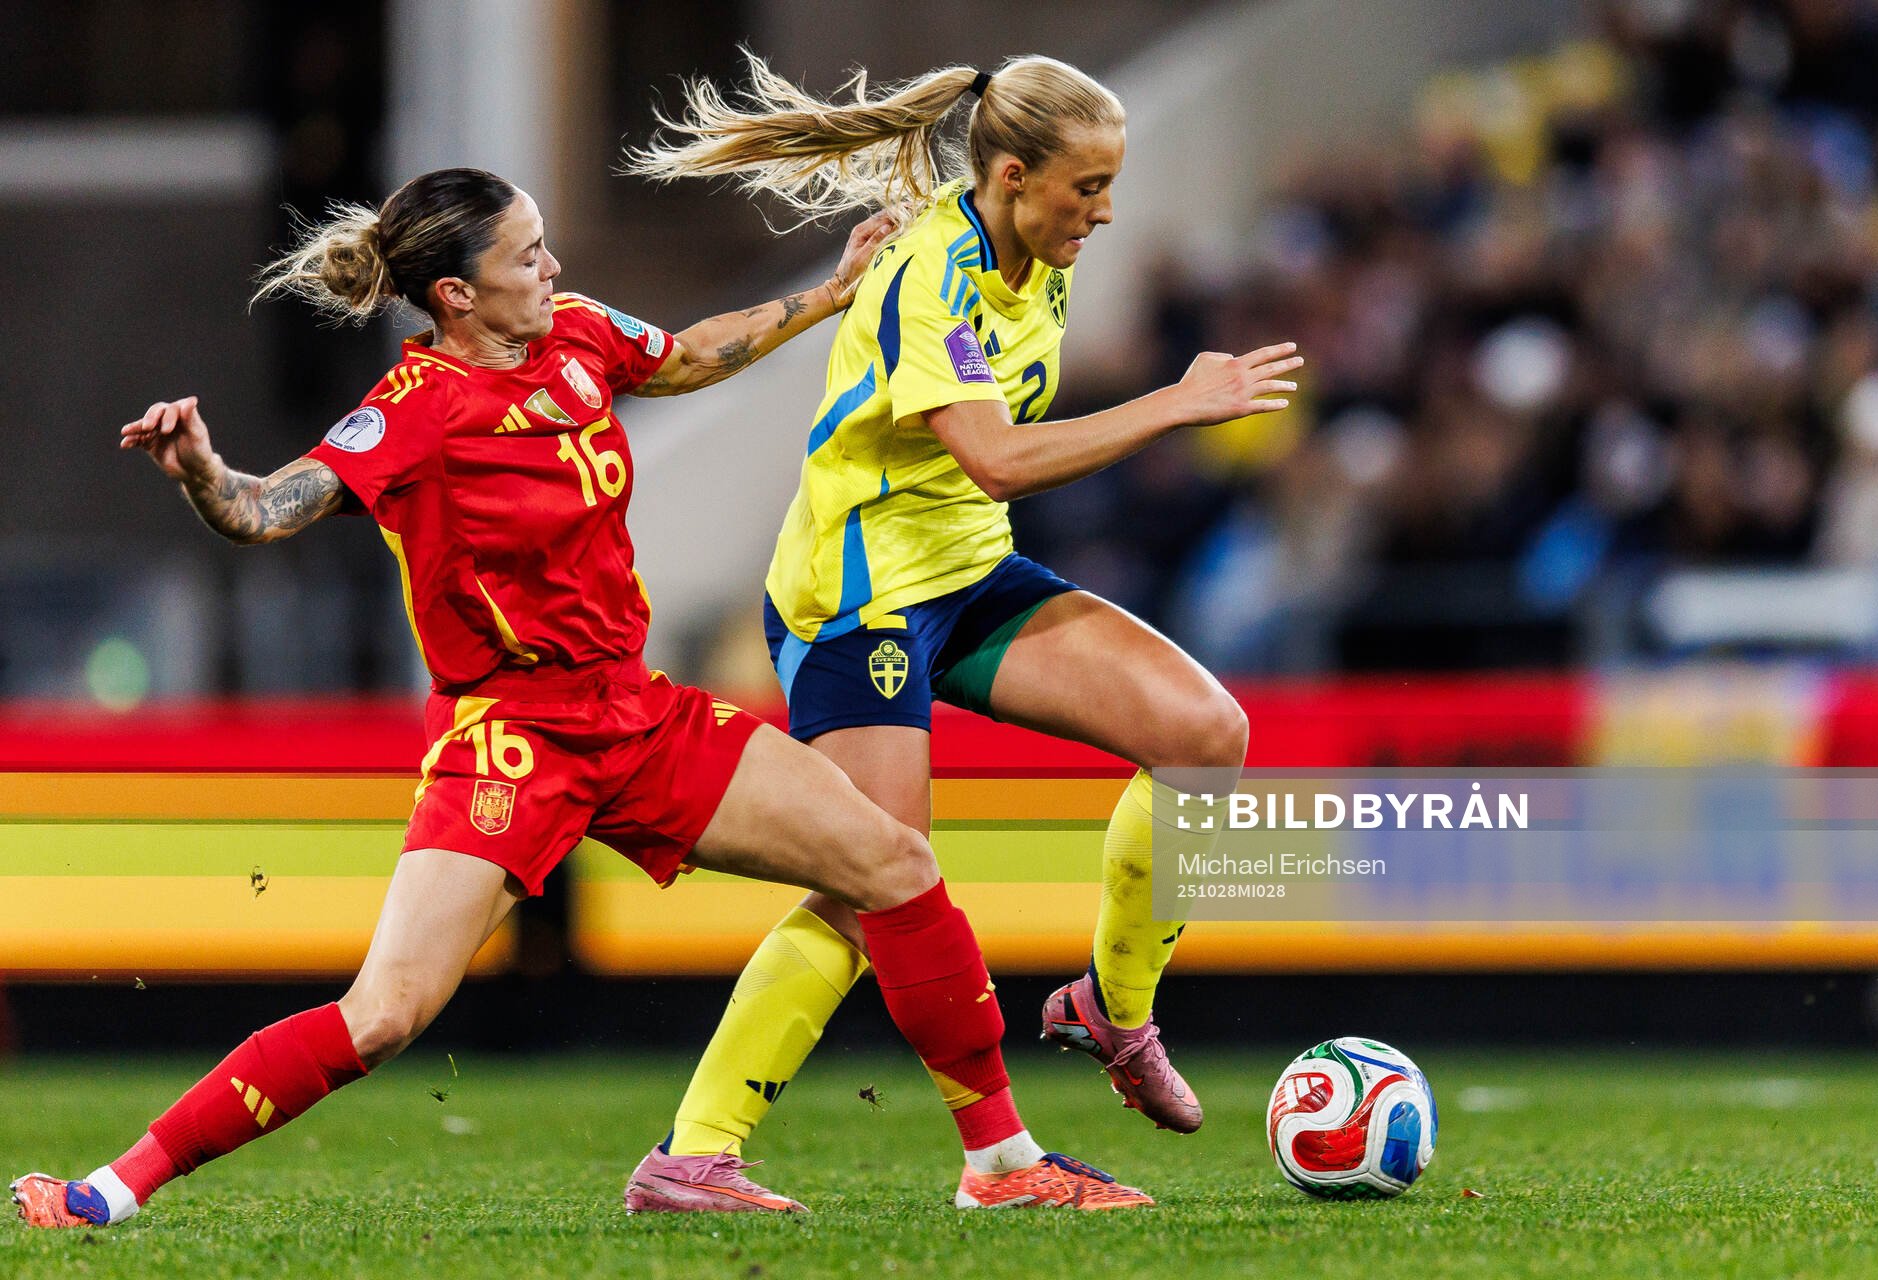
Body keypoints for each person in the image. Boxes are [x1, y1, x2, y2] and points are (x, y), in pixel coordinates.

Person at [10, 166, 1153, 1229]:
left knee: (893, 862)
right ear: (456, 294)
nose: (552, 266)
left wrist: (832, 290)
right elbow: (271, 506)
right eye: (529, 253)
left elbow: (693, 354)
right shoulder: (415, 406)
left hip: (637, 711)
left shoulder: (573, 335)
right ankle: (108, 1189)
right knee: (387, 1011)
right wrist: (206, 473)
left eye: (548, 246)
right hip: (510, 742)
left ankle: (999, 1165)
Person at [617, 54, 1299, 1211]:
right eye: (1087, 187)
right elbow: (994, 454)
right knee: (873, 876)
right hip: (858, 594)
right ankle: (701, 1150)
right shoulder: (932, 271)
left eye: (1111, 184)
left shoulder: (1037, 252)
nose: (1107, 210)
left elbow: (986, 466)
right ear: (1015, 174)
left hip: (966, 570)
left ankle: (1113, 1010)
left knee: (1203, 732)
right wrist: (1177, 402)